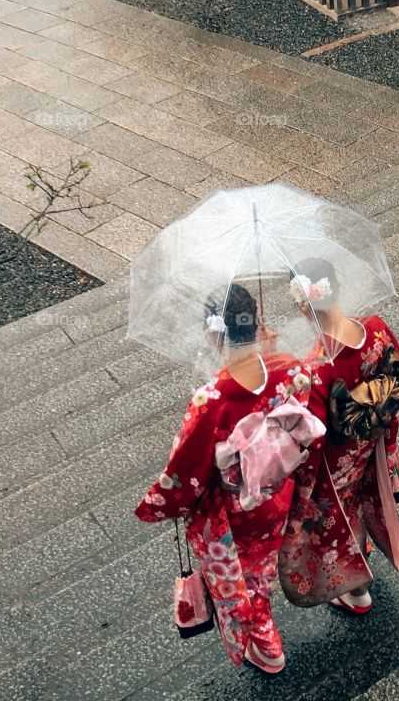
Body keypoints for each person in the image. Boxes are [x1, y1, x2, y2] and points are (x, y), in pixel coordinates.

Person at [135, 284, 324, 674]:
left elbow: (185, 471)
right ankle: (262, 618)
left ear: (213, 332)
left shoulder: (211, 399)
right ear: (258, 324)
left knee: (247, 575)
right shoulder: (292, 371)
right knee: (263, 565)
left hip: (236, 510)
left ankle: (266, 643)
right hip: (277, 494)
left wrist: (161, 502)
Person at [278, 260, 399, 614]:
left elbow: (314, 437)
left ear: (304, 306)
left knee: (336, 517)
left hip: (334, 462)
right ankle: (362, 548)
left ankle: (356, 592)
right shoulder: (374, 328)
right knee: (357, 499)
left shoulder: (317, 367)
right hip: (370, 444)